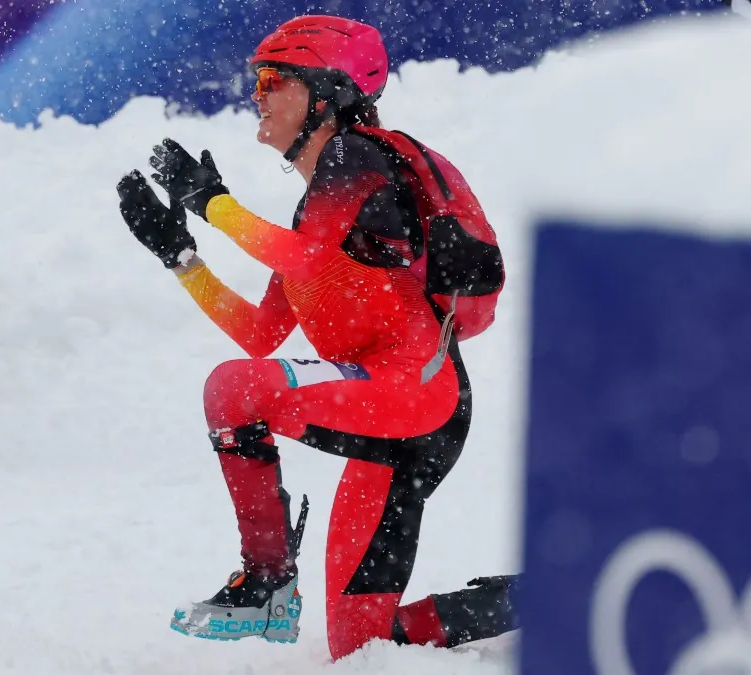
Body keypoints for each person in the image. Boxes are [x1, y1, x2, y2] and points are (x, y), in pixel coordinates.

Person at [114, 14, 518, 659]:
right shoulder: (317, 217)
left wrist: (213, 203)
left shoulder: (355, 156)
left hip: (417, 396)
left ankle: (266, 582)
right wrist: (181, 258)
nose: (258, 95)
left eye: (273, 80)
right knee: (361, 644)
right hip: (404, 419)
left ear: (326, 96)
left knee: (232, 389)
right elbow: (261, 333)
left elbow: (300, 262)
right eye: (257, 81)